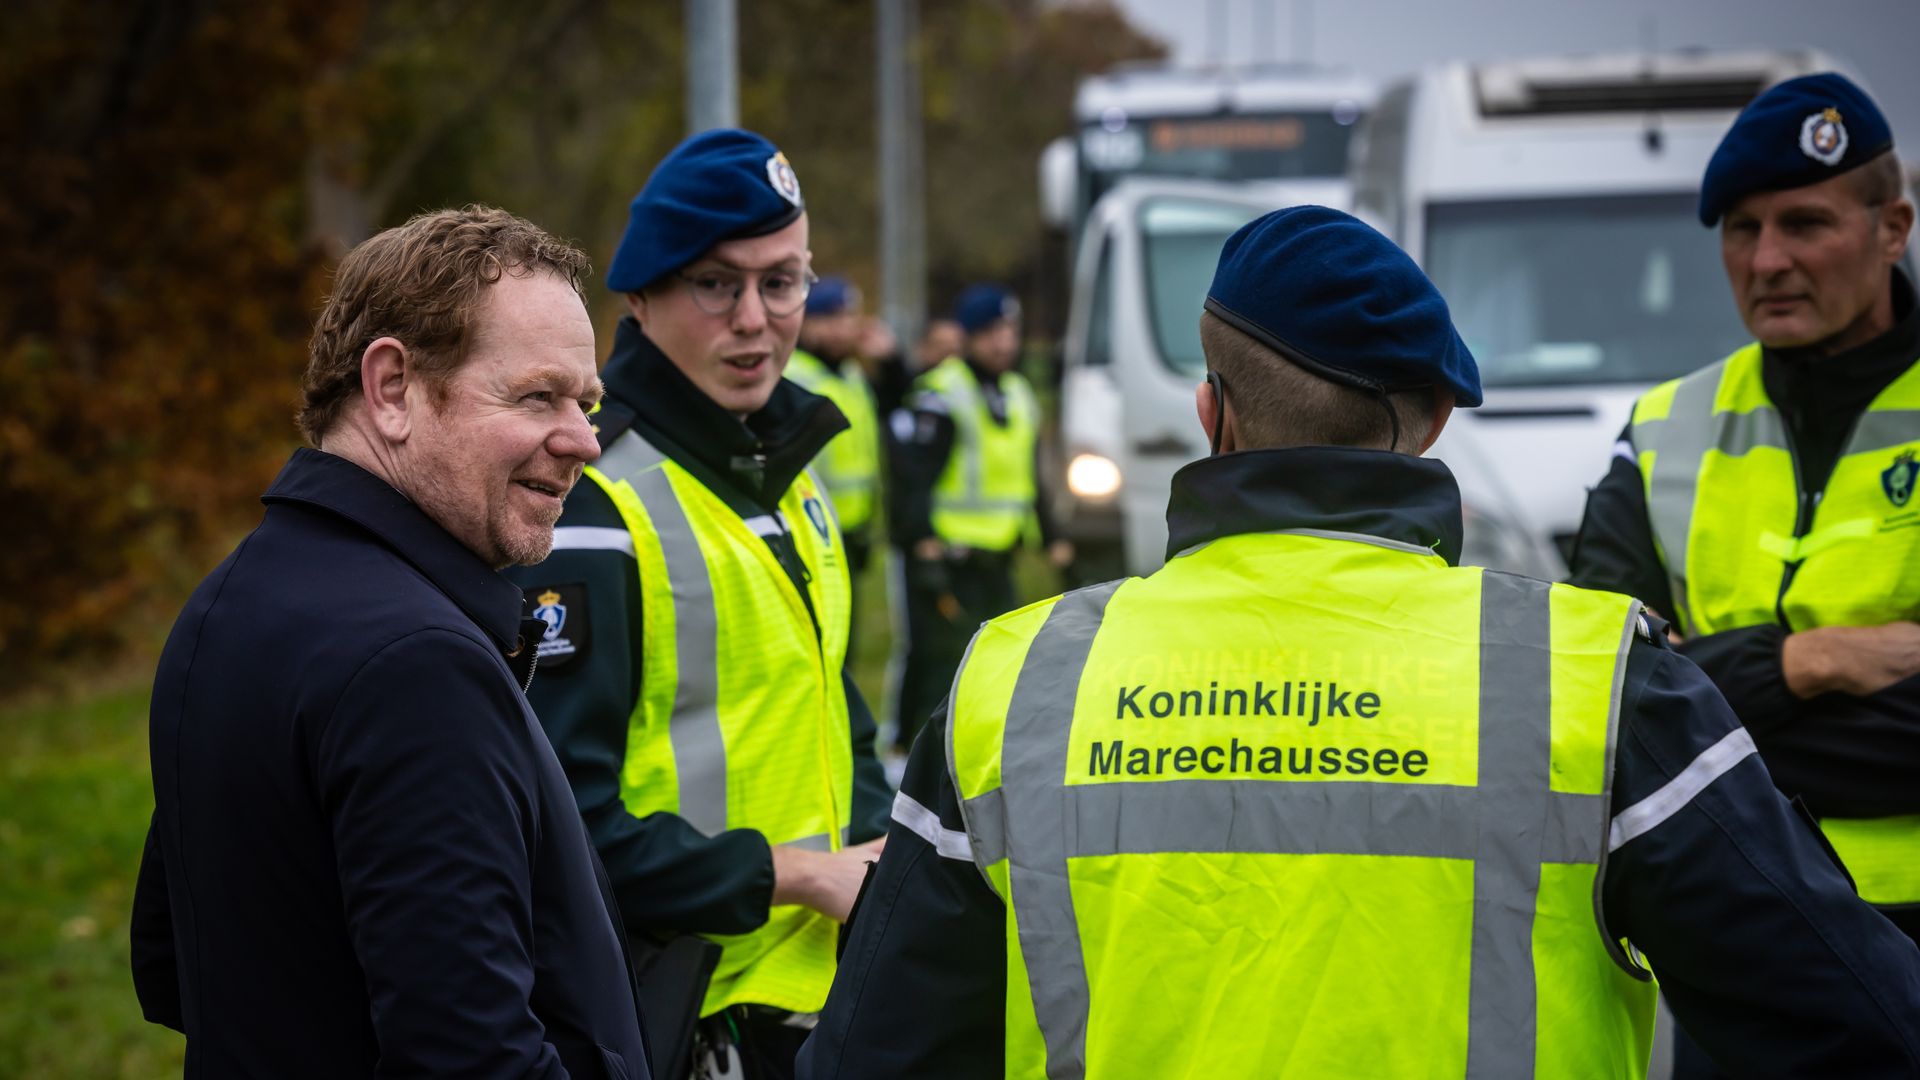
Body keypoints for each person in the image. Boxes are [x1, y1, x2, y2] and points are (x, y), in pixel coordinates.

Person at [796, 206, 1920, 1079]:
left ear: (1212, 414)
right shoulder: (1592, 679)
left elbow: (877, 1055)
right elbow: (1857, 1024)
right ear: (1432, 423)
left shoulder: (1022, 678)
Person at [129, 206, 650, 1078]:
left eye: (587, 404)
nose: (586, 442)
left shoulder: (234, 596)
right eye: (537, 397)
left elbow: (174, 965)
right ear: (393, 388)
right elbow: (474, 1056)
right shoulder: (413, 664)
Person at [505, 129, 890, 1079]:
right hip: (680, 1015)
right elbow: (557, 824)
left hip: (819, 1001)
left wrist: (894, 866)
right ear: (640, 298)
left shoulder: (786, 471)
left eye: (783, 281)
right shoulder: (589, 499)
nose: (756, 320)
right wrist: (794, 875)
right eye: (717, 285)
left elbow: (834, 714)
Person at [1567, 70, 1920, 1080]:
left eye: (1805, 224)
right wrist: (1810, 665)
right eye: (1741, 229)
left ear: (1892, 226)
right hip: (1742, 938)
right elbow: (1604, 706)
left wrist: (1710, 710)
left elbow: (1666, 727)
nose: (1767, 260)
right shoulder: (1666, 430)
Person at [888, 285, 1071, 753]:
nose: (1003, 342)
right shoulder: (943, 393)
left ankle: (979, 753)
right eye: (991, 332)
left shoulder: (1018, 392)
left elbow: (1031, 475)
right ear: (967, 336)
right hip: (949, 557)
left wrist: (1053, 537)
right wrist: (921, 540)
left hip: (998, 554)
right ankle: (915, 764)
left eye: (1010, 331)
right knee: (941, 665)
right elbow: (913, 477)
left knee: (1001, 659)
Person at [788, 276, 887, 581]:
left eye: (848, 317)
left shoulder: (852, 375)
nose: (843, 328)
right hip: (807, 535)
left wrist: (892, 362)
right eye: (830, 318)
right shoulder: (791, 375)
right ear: (804, 323)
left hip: (851, 529)